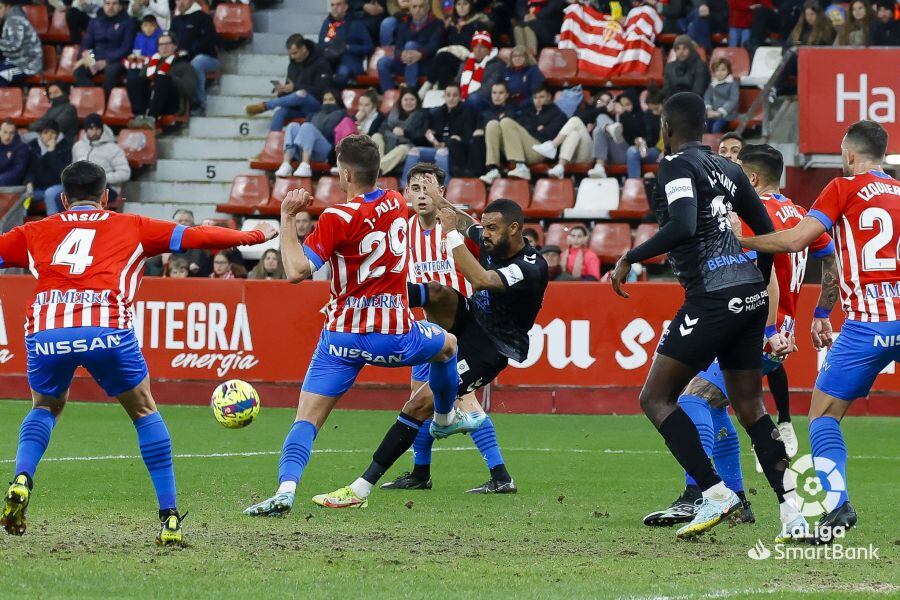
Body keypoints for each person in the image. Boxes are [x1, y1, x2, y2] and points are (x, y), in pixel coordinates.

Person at [0, 160, 276, 544]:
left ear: (63, 199)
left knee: (45, 406)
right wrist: (254, 235)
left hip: (48, 328)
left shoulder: (33, 230)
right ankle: (170, 517)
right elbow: (197, 237)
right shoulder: (132, 225)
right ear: (107, 197)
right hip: (106, 326)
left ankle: (21, 480)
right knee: (143, 408)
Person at [243, 135, 474, 518]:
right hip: (394, 336)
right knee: (447, 343)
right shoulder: (398, 202)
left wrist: (286, 217)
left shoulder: (337, 217)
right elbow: (454, 220)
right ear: (377, 169)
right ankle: (447, 418)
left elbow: (298, 270)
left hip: (341, 339)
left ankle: (286, 488)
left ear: (345, 173)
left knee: (307, 419)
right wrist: (439, 197)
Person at [609, 92, 800, 541]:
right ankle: (793, 509)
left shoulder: (676, 164)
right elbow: (768, 234)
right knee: (750, 407)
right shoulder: (730, 168)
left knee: (656, 398)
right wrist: (755, 286)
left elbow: (682, 225)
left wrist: (629, 258)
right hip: (749, 293)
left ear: (667, 126)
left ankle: (714, 492)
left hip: (712, 297)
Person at [313, 171, 548, 507]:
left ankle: (361, 488)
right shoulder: (444, 231)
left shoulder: (531, 266)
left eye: (493, 229)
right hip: (465, 318)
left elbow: (480, 279)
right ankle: (425, 465)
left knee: (419, 403)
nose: (486, 235)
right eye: (486, 228)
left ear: (514, 229)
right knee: (436, 292)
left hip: (492, 345)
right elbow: (467, 224)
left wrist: (451, 233)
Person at [643, 143, 837, 530]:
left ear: (750, 178)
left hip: (752, 320)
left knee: (693, 398)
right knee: (735, 406)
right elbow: (829, 261)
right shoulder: (800, 215)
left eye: (734, 164)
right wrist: (821, 313)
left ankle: (700, 496)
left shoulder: (741, 216)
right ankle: (761, 502)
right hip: (775, 328)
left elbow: (763, 279)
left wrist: (766, 331)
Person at [739, 120, 897, 542]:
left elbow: (795, 242)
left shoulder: (842, 187)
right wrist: (824, 310)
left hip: (867, 321)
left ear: (848, 155)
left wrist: (743, 243)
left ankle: (837, 505)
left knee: (823, 415)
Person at [244, 35, 333, 132]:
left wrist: (296, 87)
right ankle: (272, 144)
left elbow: (323, 90)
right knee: (280, 112)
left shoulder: (321, 62)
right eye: (290, 54)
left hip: (316, 107)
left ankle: (266, 106)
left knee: (301, 94)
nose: (292, 57)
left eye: (295, 53)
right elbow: (290, 89)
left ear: (303, 49)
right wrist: (282, 91)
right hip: (297, 107)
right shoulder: (292, 65)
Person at [480, 85, 566, 183]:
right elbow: (520, 127)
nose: (537, 101)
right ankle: (493, 169)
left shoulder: (557, 114)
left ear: (549, 97)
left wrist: (531, 129)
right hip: (520, 148)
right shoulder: (528, 111)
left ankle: (521, 166)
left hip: (539, 151)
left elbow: (549, 135)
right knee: (492, 124)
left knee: (506, 122)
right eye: (535, 97)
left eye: (541, 97)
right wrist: (537, 128)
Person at [401, 84, 474, 183]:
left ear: (460, 97)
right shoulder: (437, 112)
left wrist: (447, 143)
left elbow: (466, 137)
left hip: (454, 150)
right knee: (414, 151)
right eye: (448, 95)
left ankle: (443, 189)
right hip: (436, 147)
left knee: (441, 153)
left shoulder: (467, 112)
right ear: (444, 96)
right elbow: (431, 133)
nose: (451, 98)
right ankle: (405, 187)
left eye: (455, 95)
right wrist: (430, 136)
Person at [126, 32, 199, 129]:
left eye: (167, 44)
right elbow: (141, 82)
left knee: (163, 78)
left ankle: (152, 118)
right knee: (134, 80)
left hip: (172, 103)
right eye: (161, 45)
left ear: (175, 46)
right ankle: (139, 117)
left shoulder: (184, 66)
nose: (164, 47)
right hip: (150, 101)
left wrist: (170, 78)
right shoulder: (151, 64)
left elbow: (190, 90)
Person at [420, 0, 493, 96]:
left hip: (469, 61)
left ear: (470, 6)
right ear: (455, 7)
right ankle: (446, 100)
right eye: (459, 4)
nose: (461, 7)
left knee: (443, 55)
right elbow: (443, 44)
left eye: (465, 4)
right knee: (444, 70)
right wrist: (444, 30)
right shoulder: (451, 26)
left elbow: (486, 45)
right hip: (450, 62)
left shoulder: (479, 24)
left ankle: (426, 86)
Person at [376, 0, 445, 92]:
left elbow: (435, 46)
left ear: (427, 8)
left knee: (410, 45)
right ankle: (388, 95)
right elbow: (398, 49)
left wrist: (420, 54)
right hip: (406, 62)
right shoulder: (404, 25)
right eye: (414, 7)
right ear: (410, 9)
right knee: (382, 62)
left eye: (421, 6)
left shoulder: (437, 23)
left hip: (426, 64)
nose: (417, 10)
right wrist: (402, 54)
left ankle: (410, 91)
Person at [275, 90, 346, 178]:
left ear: (337, 101)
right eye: (325, 100)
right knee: (292, 126)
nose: (327, 102)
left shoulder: (343, 114)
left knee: (308, 126)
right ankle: (286, 164)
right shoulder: (314, 114)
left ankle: (305, 165)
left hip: (325, 152)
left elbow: (334, 132)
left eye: (331, 100)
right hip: (306, 148)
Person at [74, 0, 136, 99]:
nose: (110, 7)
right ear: (103, 5)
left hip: (116, 60)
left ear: (120, 6)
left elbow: (126, 48)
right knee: (79, 71)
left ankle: (104, 100)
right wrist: (88, 57)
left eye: (114, 4)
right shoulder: (94, 22)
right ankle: (96, 98)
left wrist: (106, 61)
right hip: (96, 57)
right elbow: (86, 44)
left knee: (111, 72)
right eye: (107, 3)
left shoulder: (129, 22)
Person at [170, 0, 219, 114]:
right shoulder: (175, 20)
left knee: (196, 63)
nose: (180, 3)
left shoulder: (204, 18)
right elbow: (170, 41)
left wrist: (188, 53)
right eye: (178, 0)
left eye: (184, 0)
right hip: (182, 59)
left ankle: (199, 103)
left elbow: (209, 41)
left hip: (208, 58)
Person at [586, 92, 646, 179]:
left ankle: (599, 166)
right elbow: (581, 116)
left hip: (626, 153)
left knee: (599, 127)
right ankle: (610, 129)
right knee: (598, 128)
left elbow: (637, 133)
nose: (624, 107)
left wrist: (622, 113)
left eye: (627, 104)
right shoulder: (597, 115)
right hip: (606, 155)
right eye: (621, 104)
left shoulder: (634, 115)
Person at [72, 114, 131, 201]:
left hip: (108, 188)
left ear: (102, 129)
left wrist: (102, 178)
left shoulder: (113, 148)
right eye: (91, 129)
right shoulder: (78, 146)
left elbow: (125, 173)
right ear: (86, 130)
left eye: (97, 129)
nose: (95, 132)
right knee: (59, 196)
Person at [372, 86, 428, 176]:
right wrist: (392, 130)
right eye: (406, 99)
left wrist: (405, 132)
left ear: (417, 100)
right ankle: (376, 167)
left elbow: (422, 137)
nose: (408, 102)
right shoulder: (393, 113)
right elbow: (381, 129)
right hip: (388, 142)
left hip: (407, 145)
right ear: (401, 101)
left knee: (403, 149)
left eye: (412, 99)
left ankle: (376, 170)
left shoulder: (422, 115)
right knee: (376, 136)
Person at [319, 0, 374, 86]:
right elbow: (321, 45)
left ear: (346, 7)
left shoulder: (357, 24)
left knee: (342, 73)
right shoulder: (329, 24)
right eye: (332, 5)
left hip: (351, 62)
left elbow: (369, 47)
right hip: (331, 60)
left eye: (338, 4)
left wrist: (349, 47)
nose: (334, 8)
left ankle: (335, 97)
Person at [144, 209, 214, 276]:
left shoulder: (200, 245)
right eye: (180, 221)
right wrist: (161, 258)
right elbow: (150, 265)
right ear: (173, 224)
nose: (183, 223)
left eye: (187, 221)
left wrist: (171, 258)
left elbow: (207, 270)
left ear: (193, 224)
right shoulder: (163, 241)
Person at [25, 120, 71, 216]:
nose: (49, 136)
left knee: (50, 193)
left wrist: (51, 153)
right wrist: (29, 182)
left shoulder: (65, 146)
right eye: (46, 133)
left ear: (57, 135)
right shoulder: (32, 146)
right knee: (22, 195)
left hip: (58, 186)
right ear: (40, 134)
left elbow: (63, 174)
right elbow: (28, 169)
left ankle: (52, 225)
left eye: (53, 133)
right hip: (38, 188)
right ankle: (20, 224)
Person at [455, 30, 504, 112]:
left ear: (489, 50)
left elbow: (488, 88)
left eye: (482, 47)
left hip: (484, 100)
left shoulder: (497, 65)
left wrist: (465, 98)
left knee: (473, 99)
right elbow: (457, 82)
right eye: (475, 47)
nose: (478, 50)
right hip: (463, 98)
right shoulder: (465, 64)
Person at [0, 0, 42, 87]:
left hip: (28, 63)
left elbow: (14, 45)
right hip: (15, 60)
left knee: (1, 75)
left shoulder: (15, 20)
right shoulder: (10, 18)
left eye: (0, 8)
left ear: (7, 7)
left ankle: (6, 99)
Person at [627, 88, 665, 179]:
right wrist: (642, 142)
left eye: (656, 109)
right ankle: (635, 186)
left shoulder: (674, 114)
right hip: (656, 150)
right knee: (632, 151)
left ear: (664, 102)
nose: (654, 113)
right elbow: (650, 137)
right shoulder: (649, 115)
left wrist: (667, 151)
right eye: (652, 110)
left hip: (671, 152)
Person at [704, 58, 739, 134]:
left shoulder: (733, 84)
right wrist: (709, 109)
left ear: (728, 71)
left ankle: (718, 144)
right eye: (717, 70)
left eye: (723, 70)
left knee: (716, 128)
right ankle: (707, 144)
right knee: (705, 126)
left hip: (727, 114)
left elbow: (733, 100)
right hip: (712, 113)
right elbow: (707, 97)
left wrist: (721, 111)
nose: (720, 73)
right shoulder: (713, 83)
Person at [0, 119, 29, 187]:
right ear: (0, 132)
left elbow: (18, 171)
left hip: (13, 185)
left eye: (11, 133)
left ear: (15, 133)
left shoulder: (22, 148)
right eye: (5, 132)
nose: (7, 136)